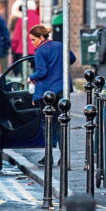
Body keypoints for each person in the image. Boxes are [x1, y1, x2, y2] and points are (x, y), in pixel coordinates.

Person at [28, 24, 76, 164]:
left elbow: (42, 72)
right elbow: (72, 59)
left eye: (33, 40)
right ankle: (64, 157)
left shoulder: (40, 51)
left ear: (41, 38)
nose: (32, 43)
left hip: (46, 93)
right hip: (62, 90)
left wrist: (31, 77)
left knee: (47, 124)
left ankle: (48, 157)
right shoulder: (60, 45)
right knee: (62, 123)